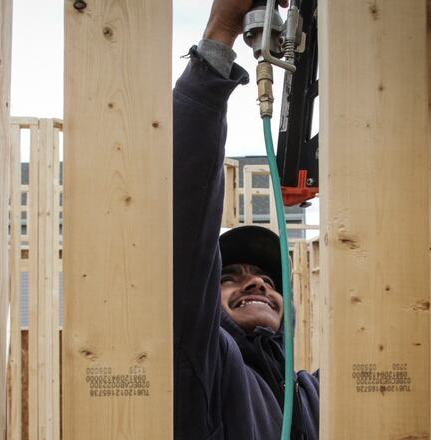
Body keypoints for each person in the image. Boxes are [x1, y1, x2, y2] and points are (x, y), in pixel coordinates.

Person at [173, 0, 320, 438]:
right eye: (231, 277)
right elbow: (186, 224)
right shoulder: (210, 371)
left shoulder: (311, 394)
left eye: (268, 280)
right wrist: (221, 32)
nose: (257, 283)